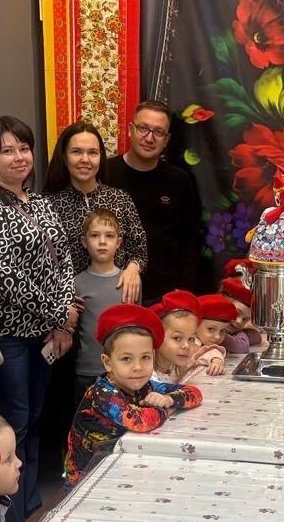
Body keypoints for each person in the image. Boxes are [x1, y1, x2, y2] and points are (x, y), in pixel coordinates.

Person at [0, 115, 77, 522]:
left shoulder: (40, 202)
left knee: (34, 420)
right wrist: (61, 313)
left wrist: (62, 321)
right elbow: (7, 278)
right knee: (13, 424)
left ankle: (29, 503)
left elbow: (63, 261)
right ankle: (8, 516)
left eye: (24, 148)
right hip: (10, 337)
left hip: (45, 334)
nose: (19, 157)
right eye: (7, 151)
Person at [63, 304, 203, 486]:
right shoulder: (103, 393)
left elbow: (194, 393)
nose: (138, 367)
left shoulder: (145, 386)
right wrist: (166, 409)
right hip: (87, 477)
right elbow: (138, 421)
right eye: (126, 359)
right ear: (107, 363)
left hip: (119, 466)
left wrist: (169, 398)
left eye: (145, 357)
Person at [104, 100, 205, 303]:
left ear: (166, 140)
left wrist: (182, 290)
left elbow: (191, 239)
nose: (149, 138)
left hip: (165, 295)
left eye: (158, 132)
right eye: (143, 128)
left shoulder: (179, 180)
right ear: (130, 130)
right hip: (112, 290)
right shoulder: (105, 174)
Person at [45, 120, 148, 304]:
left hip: (116, 296)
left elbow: (139, 250)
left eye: (92, 152)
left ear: (101, 156)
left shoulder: (120, 199)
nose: (85, 159)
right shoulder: (49, 206)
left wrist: (133, 269)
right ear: (65, 157)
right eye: (76, 152)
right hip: (69, 304)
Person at [72, 209, 127, 398]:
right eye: (95, 235)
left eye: (109, 236)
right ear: (84, 241)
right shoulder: (76, 283)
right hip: (87, 371)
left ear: (118, 242)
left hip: (122, 372)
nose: (102, 241)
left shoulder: (129, 282)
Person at [150, 289, 203, 383]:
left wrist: (215, 359)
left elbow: (205, 352)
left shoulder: (174, 364)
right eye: (177, 338)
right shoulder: (148, 379)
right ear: (157, 336)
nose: (186, 346)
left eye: (191, 339)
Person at [194, 294, 237, 374]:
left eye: (222, 330)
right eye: (211, 329)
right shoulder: (187, 341)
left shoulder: (204, 345)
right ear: (195, 325)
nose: (217, 337)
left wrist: (217, 361)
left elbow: (211, 351)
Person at [218, 276, 262, 353]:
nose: (239, 321)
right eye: (237, 313)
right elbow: (242, 346)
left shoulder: (234, 330)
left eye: (245, 319)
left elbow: (256, 336)